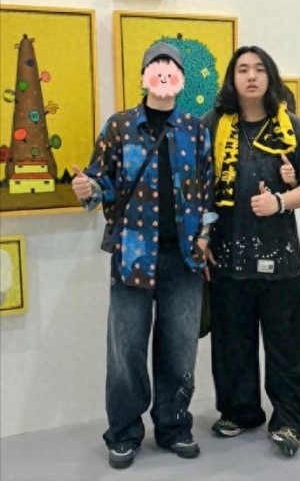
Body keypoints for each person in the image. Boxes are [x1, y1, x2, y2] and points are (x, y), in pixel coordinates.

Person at [71, 42, 217, 470]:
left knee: (180, 348)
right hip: (132, 255)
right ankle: (124, 433)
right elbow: (101, 182)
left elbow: (208, 191)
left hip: (184, 258)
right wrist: (87, 189)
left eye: (171, 68)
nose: (164, 74)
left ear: (181, 80)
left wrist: (204, 237)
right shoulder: (120, 126)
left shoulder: (195, 129)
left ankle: (174, 426)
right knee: (126, 350)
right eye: (156, 66)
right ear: (144, 76)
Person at [201, 45, 300, 458]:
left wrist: (280, 202)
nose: (251, 76)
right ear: (232, 79)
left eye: (259, 69)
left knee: (288, 345)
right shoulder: (212, 125)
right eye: (242, 69)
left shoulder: (291, 126)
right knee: (231, 344)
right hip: (227, 257)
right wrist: (202, 237)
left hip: (280, 258)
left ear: (270, 77)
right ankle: (239, 412)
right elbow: (196, 186)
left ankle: (290, 420)